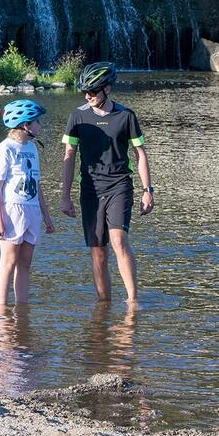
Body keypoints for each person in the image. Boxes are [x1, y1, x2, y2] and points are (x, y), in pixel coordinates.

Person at [57, 61, 153, 302]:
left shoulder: (126, 116)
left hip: (120, 185)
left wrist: (147, 190)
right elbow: (69, 156)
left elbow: (140, 154)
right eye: (85, 92)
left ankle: (132, 302)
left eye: (93, 91)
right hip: (90, 189)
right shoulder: (77, 117)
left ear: (107, 89)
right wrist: (65, 196)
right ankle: (104, 306)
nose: (88, 96)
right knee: (98, 251)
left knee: (119, 240)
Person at [0, 99, 54, 306]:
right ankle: (1, 311)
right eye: (37, 122)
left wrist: (47, 217)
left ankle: (22, 309)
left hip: (32, 210)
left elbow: (37, 185)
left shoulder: (32, 149)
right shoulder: (4, 149)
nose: (40, 125)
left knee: (25, 264)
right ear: (25, 124)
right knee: (8, 263)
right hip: (12, 210)